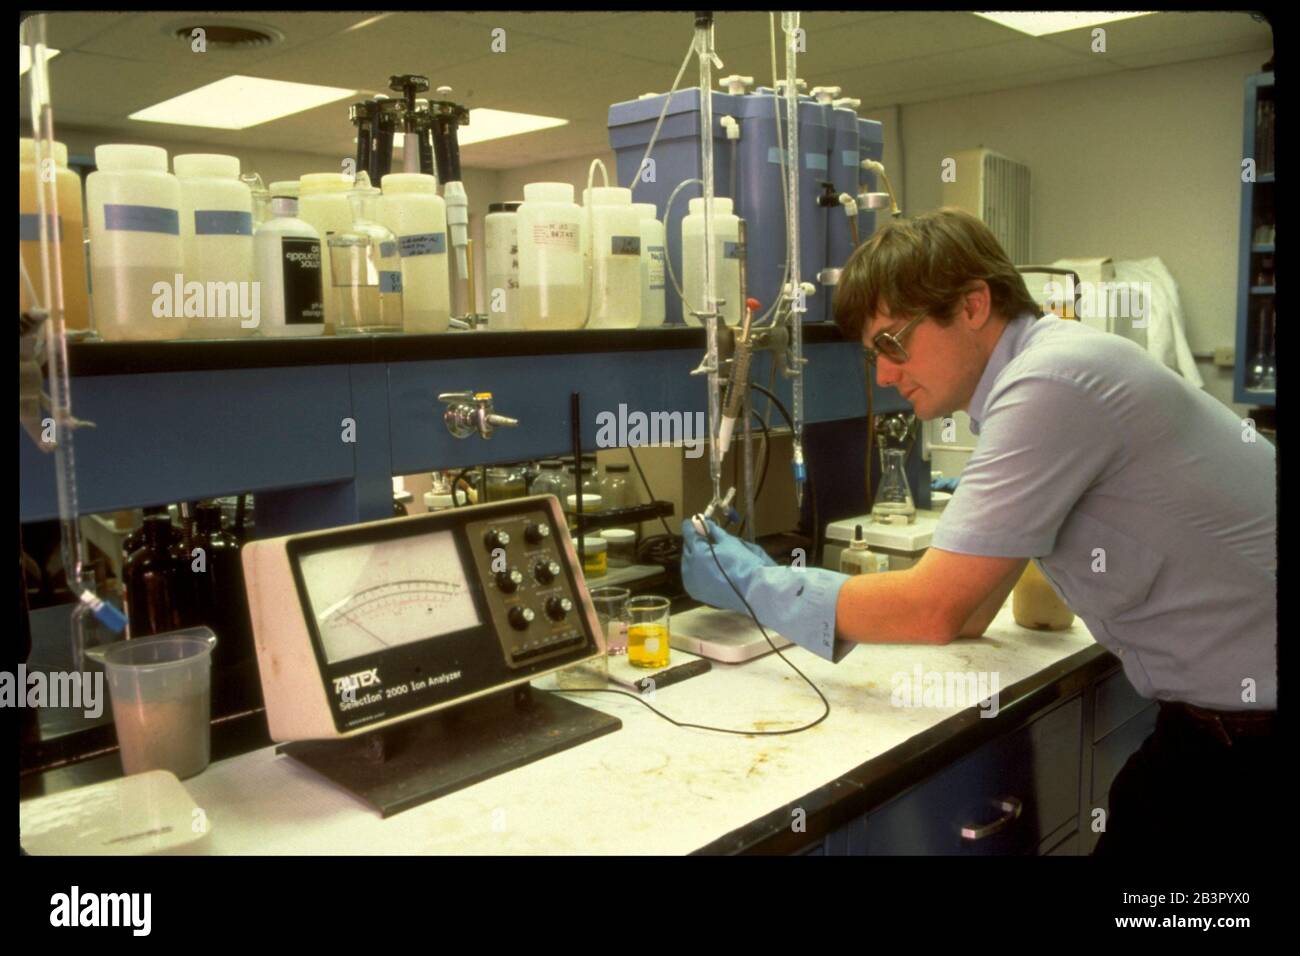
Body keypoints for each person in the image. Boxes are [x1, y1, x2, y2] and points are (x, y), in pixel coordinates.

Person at [681, 207, 1277, 854]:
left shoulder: (1052, 381)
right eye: (871, 353)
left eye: (892, 342)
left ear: (972, 306)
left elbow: (938, 607)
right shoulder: (1053, 369)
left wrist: (758, 585)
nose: (883, 373)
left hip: (1252, 745)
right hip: (1217, 731)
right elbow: (970, 608)